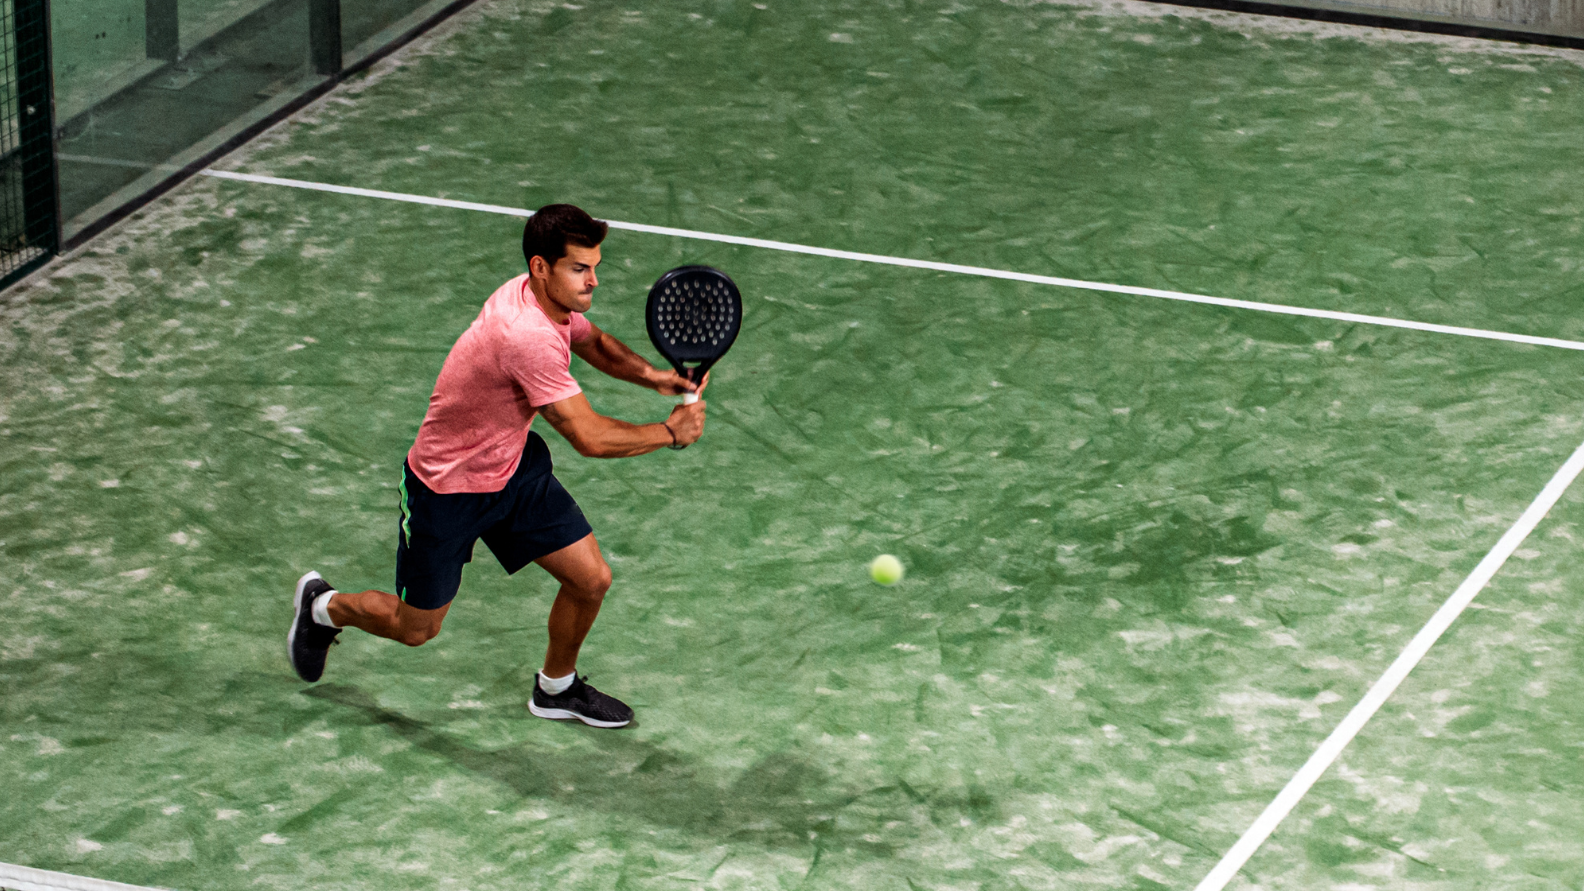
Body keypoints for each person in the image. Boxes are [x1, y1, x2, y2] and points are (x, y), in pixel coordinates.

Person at [287, 204, 706, 728]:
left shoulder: (543, 298)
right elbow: (589, 437)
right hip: (448, 489)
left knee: (591, 580)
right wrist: (670, 432)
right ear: (541, 267)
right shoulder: (524, 335)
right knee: (416, 628)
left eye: (595, 267)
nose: (593, 281)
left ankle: (556, 688)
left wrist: (654, 377)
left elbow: (592, 340)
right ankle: (322, 607)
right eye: (580, 268)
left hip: (511, 467)